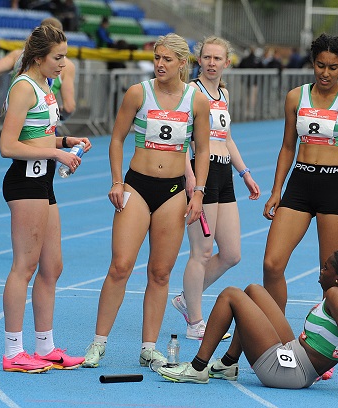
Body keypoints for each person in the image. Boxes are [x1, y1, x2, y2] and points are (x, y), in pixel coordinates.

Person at [82, 33, 211, 368]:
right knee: (120, 266)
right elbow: (116, 139)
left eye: (167, 59)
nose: (160, 64)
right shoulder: (138, 93)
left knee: (160, 272)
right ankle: (98, 343)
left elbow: (203, 150)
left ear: (182, 63)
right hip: (137, 186)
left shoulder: (196, 101)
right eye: (157, 58)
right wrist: (116, 181)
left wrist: (198, 193)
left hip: (173, 192)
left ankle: (148, 347)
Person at [157, 250, 338, 399]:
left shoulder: (336, 296)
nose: (320, 270)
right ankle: (228, 364)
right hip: (294, 355)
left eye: (326, 268)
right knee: (253, 291)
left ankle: (198, 368)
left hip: (287, 372)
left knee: (230, 295)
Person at [0, 24, 91, 373]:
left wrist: (66, 142)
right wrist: (55, 154)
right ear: (39, 58)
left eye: (65, 57)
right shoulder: (24, 87)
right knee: (24, 266)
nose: (63, 64)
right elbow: (8, 146)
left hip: (44, 182)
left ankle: (45, 347)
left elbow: (38, 136)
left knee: (52, 267)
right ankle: (13, 352)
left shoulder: (45, 85)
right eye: (58, 58)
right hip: (25, 182)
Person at [262, 33, 338, 314]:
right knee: (271, 264)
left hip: (334, 187)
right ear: (313, 62)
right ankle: (276, 328)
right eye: (320, 65)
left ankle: (326, 334)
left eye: (333, 67)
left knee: (331, 278)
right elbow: (288, 147)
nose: (325, 73)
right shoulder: (295, 97)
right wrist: (276, 190)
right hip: (300, 183)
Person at [171, 36, 261, 340]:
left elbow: (227, 138)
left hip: (224, 173)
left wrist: (244, 172)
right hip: (201, 172)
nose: (211, 63)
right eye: (207, 57)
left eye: (217, 58)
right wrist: (190, 177)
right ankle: (195, 322)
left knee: (232, 253)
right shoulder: (191, 92)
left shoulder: (223, 93)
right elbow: (183, 140)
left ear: (227, 62)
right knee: (202, 251)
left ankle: (187, 298)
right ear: (199, 60)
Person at [0, 18, 77, 129]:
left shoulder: (17, 55)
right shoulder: (66, 66)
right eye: (57, 58)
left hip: (15, 118)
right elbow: (69, 107)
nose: (60, 64)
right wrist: (55, 118)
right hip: (39, 125)